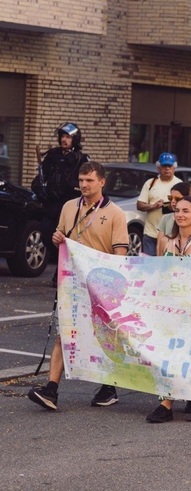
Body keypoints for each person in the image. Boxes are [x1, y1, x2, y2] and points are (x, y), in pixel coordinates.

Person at [27, 162, 130, 411]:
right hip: (71, 282)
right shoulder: (69, 206)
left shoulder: (115, 213)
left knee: (102, 335)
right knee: (65, 333)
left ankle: (109, 387)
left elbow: (120, 255)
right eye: (81, 180)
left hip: (100, 286)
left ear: (102, 182)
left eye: (89, 180)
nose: (84, 185)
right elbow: (61, 237)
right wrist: (56, 239)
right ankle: (51, 389)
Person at [146, 195, 191, 423]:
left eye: (186, 211)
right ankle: (166, 404)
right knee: (168, 356)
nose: (180, 215)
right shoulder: (167, 241)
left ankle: (187, 394)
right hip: (169, 310)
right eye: (177, 211)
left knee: (187, 357)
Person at [31, 123, 91, 280]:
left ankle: (61, 272)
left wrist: (70, 189)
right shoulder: (53, 155)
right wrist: (40, 190)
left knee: (65, 238)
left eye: (68, 137)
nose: (64, 140)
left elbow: (86, 182)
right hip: (51, 204)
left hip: (69, 205)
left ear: (75, 139)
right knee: (46, 233)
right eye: (63, 136)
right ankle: (59, 262)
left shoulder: (81, 159)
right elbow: (40, 177)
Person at [137, 152, 182, 256]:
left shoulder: (179, 184)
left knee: (166, 264)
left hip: (171, 234)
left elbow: (186, 206)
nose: (167, 169)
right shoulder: (150, 183)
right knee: (150, 263)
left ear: (174, 168)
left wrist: (172, 207)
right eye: (164, 166)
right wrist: (153, 206)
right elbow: (139, 205)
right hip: (150, 234)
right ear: (158, 168)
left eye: (169, 166)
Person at [155, 182, 191, 256]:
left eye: (177, 198)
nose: (173, 201)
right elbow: (159, 247)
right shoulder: (165, 219)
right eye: (170, 198)